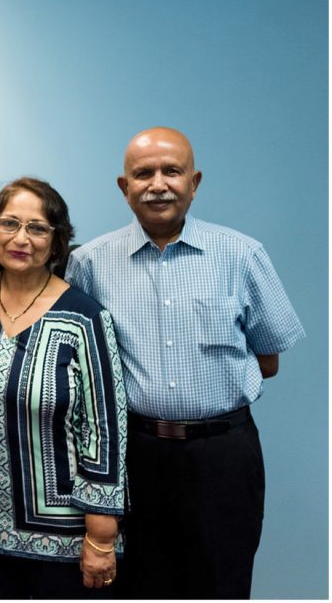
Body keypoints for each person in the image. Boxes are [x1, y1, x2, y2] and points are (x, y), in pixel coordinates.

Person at [66, 127, 305, 599]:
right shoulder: (90, 263)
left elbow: (268, 358)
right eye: (143, 173)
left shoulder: (242, 255)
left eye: (172, 171)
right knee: (135, 586)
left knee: (221, 582)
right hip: (134, 453)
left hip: (223, 455)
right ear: (124, 186)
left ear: (194, 182)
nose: (158, 184)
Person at [0, 177, 126, 599]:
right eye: (9, 224)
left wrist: (101, 535)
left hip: (64, 539)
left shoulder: (84, 317)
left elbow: (104, 428)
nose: (21, 238)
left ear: (58, 241)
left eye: (38, 228)